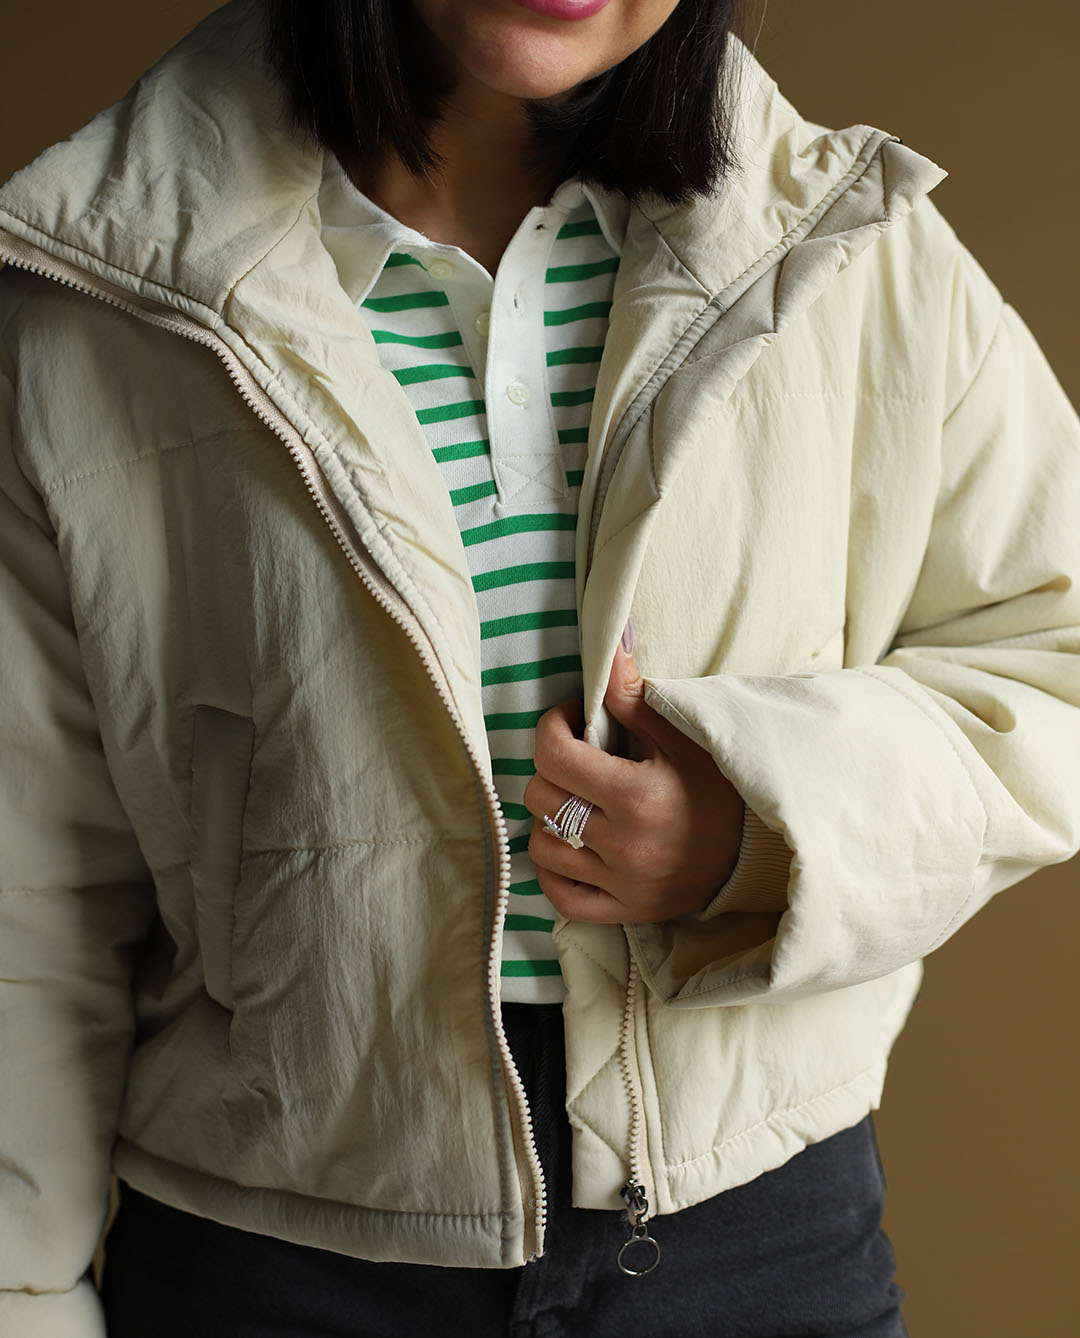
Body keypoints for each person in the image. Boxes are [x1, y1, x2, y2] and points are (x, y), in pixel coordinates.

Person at [1, 0, 1078, 1334]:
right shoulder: (97, 293)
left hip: (755, 1248)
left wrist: (759, 827)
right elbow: (28, 892)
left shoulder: (849, 246)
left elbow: (1055, 658)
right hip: (273, 1261)